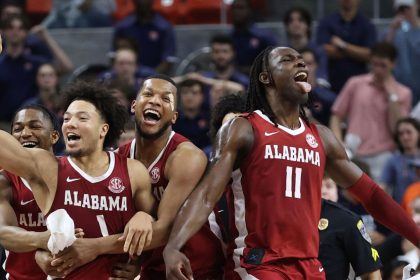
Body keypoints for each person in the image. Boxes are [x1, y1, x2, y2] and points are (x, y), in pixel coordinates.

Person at [162, 46, 420, 280]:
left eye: (302, 61)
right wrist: (174, 245)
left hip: (309, 265)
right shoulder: (244, 128)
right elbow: (207, 194)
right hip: (258, 266)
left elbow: (372, 195)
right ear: (266, 78)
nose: (301, 65)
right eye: (288, 60)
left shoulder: (321, 137)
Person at [0, 81, 156, 278]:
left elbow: (161, 230)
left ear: (103, 129)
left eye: (82, 118)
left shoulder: (133, 171)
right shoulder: (48, 168)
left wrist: (147, 219)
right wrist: (43, 245)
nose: (71, 123)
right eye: (66, 118)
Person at [117, 74, 225, 279]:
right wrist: (132, 259)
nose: (155, 101)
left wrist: (92, 248)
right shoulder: (117, 159)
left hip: (195, 265)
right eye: (148, 94)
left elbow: (163, 229)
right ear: (133, 106)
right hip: (151, 265)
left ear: (174, 117)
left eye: (165, 99)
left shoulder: (187, 156)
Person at [329, 42, 412, 182]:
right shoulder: (355, 83)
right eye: (374, 64)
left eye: (383, 65)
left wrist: (392, 96)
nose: (378, 69)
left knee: (380, 201)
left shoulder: (404, 93)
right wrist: (339, 143)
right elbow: (336, 115)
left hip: (384, 156)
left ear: (393, 64)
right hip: (354, 153)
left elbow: (397, 130)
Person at [0, 104, 61, 280]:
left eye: (35, 126)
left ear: (54, 136)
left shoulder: (74, 173)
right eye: (18, 129)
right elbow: (4, 233)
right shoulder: (4, 181)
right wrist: (44, 239)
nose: (25, 133)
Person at [319, 176, 382, 280]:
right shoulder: (290, 217)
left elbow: (371, 270)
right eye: (319, 186)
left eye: (329, 186)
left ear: (337, 190)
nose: (324, 191)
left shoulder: (347, 220)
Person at [316, 0, 377, 93]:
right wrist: (355, 53)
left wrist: (342, 45)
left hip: (359, 85)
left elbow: (369, 55)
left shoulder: (367, 25)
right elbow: (323, 50)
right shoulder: (326, 22)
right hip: (331, 85)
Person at [112, 0, 176, 74]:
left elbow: (168, 60)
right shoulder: (123, 27)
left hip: (155, 78)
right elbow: (115, 57)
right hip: (127, 77)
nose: (143, 2)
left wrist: (151, 77)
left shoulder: (164, 28)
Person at [283, 7, 329, 88]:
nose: (296, 24)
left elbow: (322, 80)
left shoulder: (319, 51)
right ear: (287, 27)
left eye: (300, 20)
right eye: (291, 21)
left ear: (308, 25)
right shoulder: (281, 53)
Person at [228, 0, 277, 75]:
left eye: (241, 8)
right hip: (234, 79)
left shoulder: (264, 36)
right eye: (234, 8)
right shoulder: (229, 37)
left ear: (249, 11)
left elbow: (274, 62)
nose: (236, 12)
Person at [386, 0, 420, 106]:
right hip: (398, 91)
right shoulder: (391, 32)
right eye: (401, 9)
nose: (405, 12)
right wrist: (392, 31)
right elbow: (383, 55)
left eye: (408, 8)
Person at [381, 117, 420, 203]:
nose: (405, 137)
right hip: (403, 211)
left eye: (409, 132)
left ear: (418, 133)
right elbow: (383, 187)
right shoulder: (393, 161)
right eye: (401, 134)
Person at [173, 79, 211, 150]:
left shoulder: (209, 118)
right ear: (180, 96)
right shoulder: (173, 118)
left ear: (202, 97)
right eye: (185, 92)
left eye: (194, 93)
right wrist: (185, 77)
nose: (189, 97)